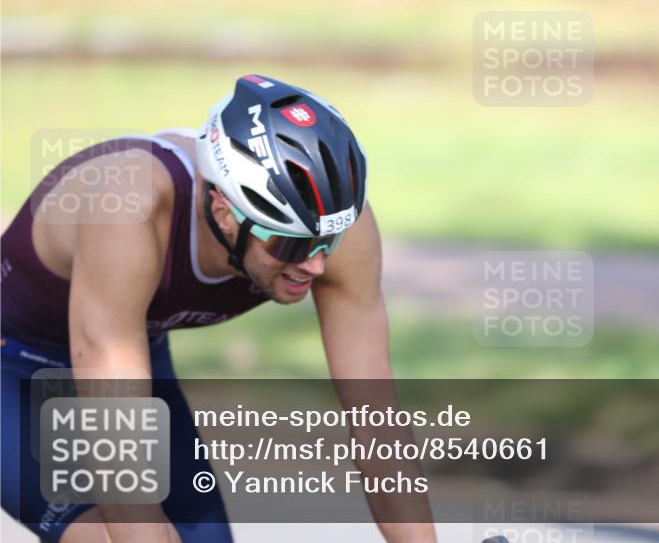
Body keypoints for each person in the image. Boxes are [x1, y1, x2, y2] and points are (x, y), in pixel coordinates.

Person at [0, 75, 436, 542]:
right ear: (225, 211)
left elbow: (377, 426)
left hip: (132, 350)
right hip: (15, 365)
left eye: (328, 240)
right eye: (290, 245)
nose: (316, 263)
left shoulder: (331, 222)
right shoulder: (129, 210)